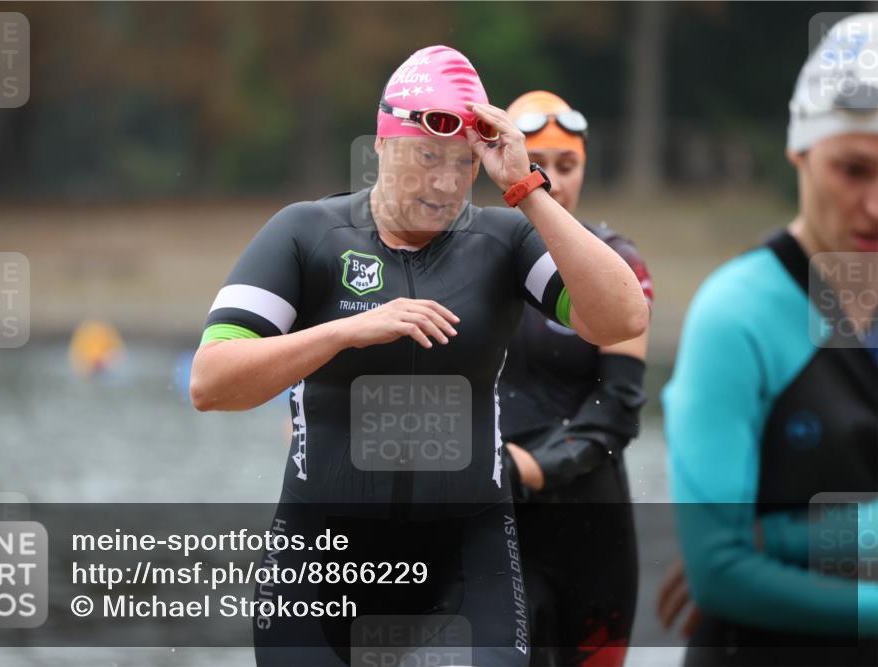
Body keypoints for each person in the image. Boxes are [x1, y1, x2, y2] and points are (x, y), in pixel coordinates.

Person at [190, 45, 648, 667]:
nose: (443, 182)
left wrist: (527, 188)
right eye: (427, 156)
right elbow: (211, 383)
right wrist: (343, 334)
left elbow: (623, 317)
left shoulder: (502, 240)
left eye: (463, 165)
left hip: (467, 556)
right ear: (380, 145)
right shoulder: (305, 235)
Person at [661, 13, 878, 666]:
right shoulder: (737, 313)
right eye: (853, 170)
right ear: (798, 152)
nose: (876, 205)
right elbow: (719, 570)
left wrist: (779, 536)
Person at [498, 91, 653, 667]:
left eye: (568, 166)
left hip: (588, 528)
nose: (553, 181)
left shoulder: (618, 266)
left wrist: (525, 468)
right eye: (536, 161)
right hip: (486, 524)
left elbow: (618, 408)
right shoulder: (460, 263)